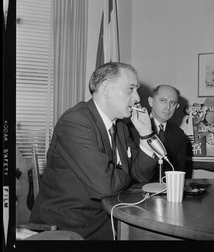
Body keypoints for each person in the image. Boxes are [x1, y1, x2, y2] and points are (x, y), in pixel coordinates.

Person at [29, 62, 158, 240]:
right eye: (131, 89)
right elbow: (106, 185)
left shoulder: (120, 126)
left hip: (107, 216)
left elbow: (141, 175)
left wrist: (145, 134)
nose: (137, 98)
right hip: (69, 227)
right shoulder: (75, 121)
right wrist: (124, 171)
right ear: (106, 88)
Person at [128, 85, 187, 181]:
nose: (168, 107)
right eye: (163, 100)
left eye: (172, 103)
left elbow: (179, 171)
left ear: (177, 106)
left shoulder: (179, 134)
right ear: (151, 101)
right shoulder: (129, 129)